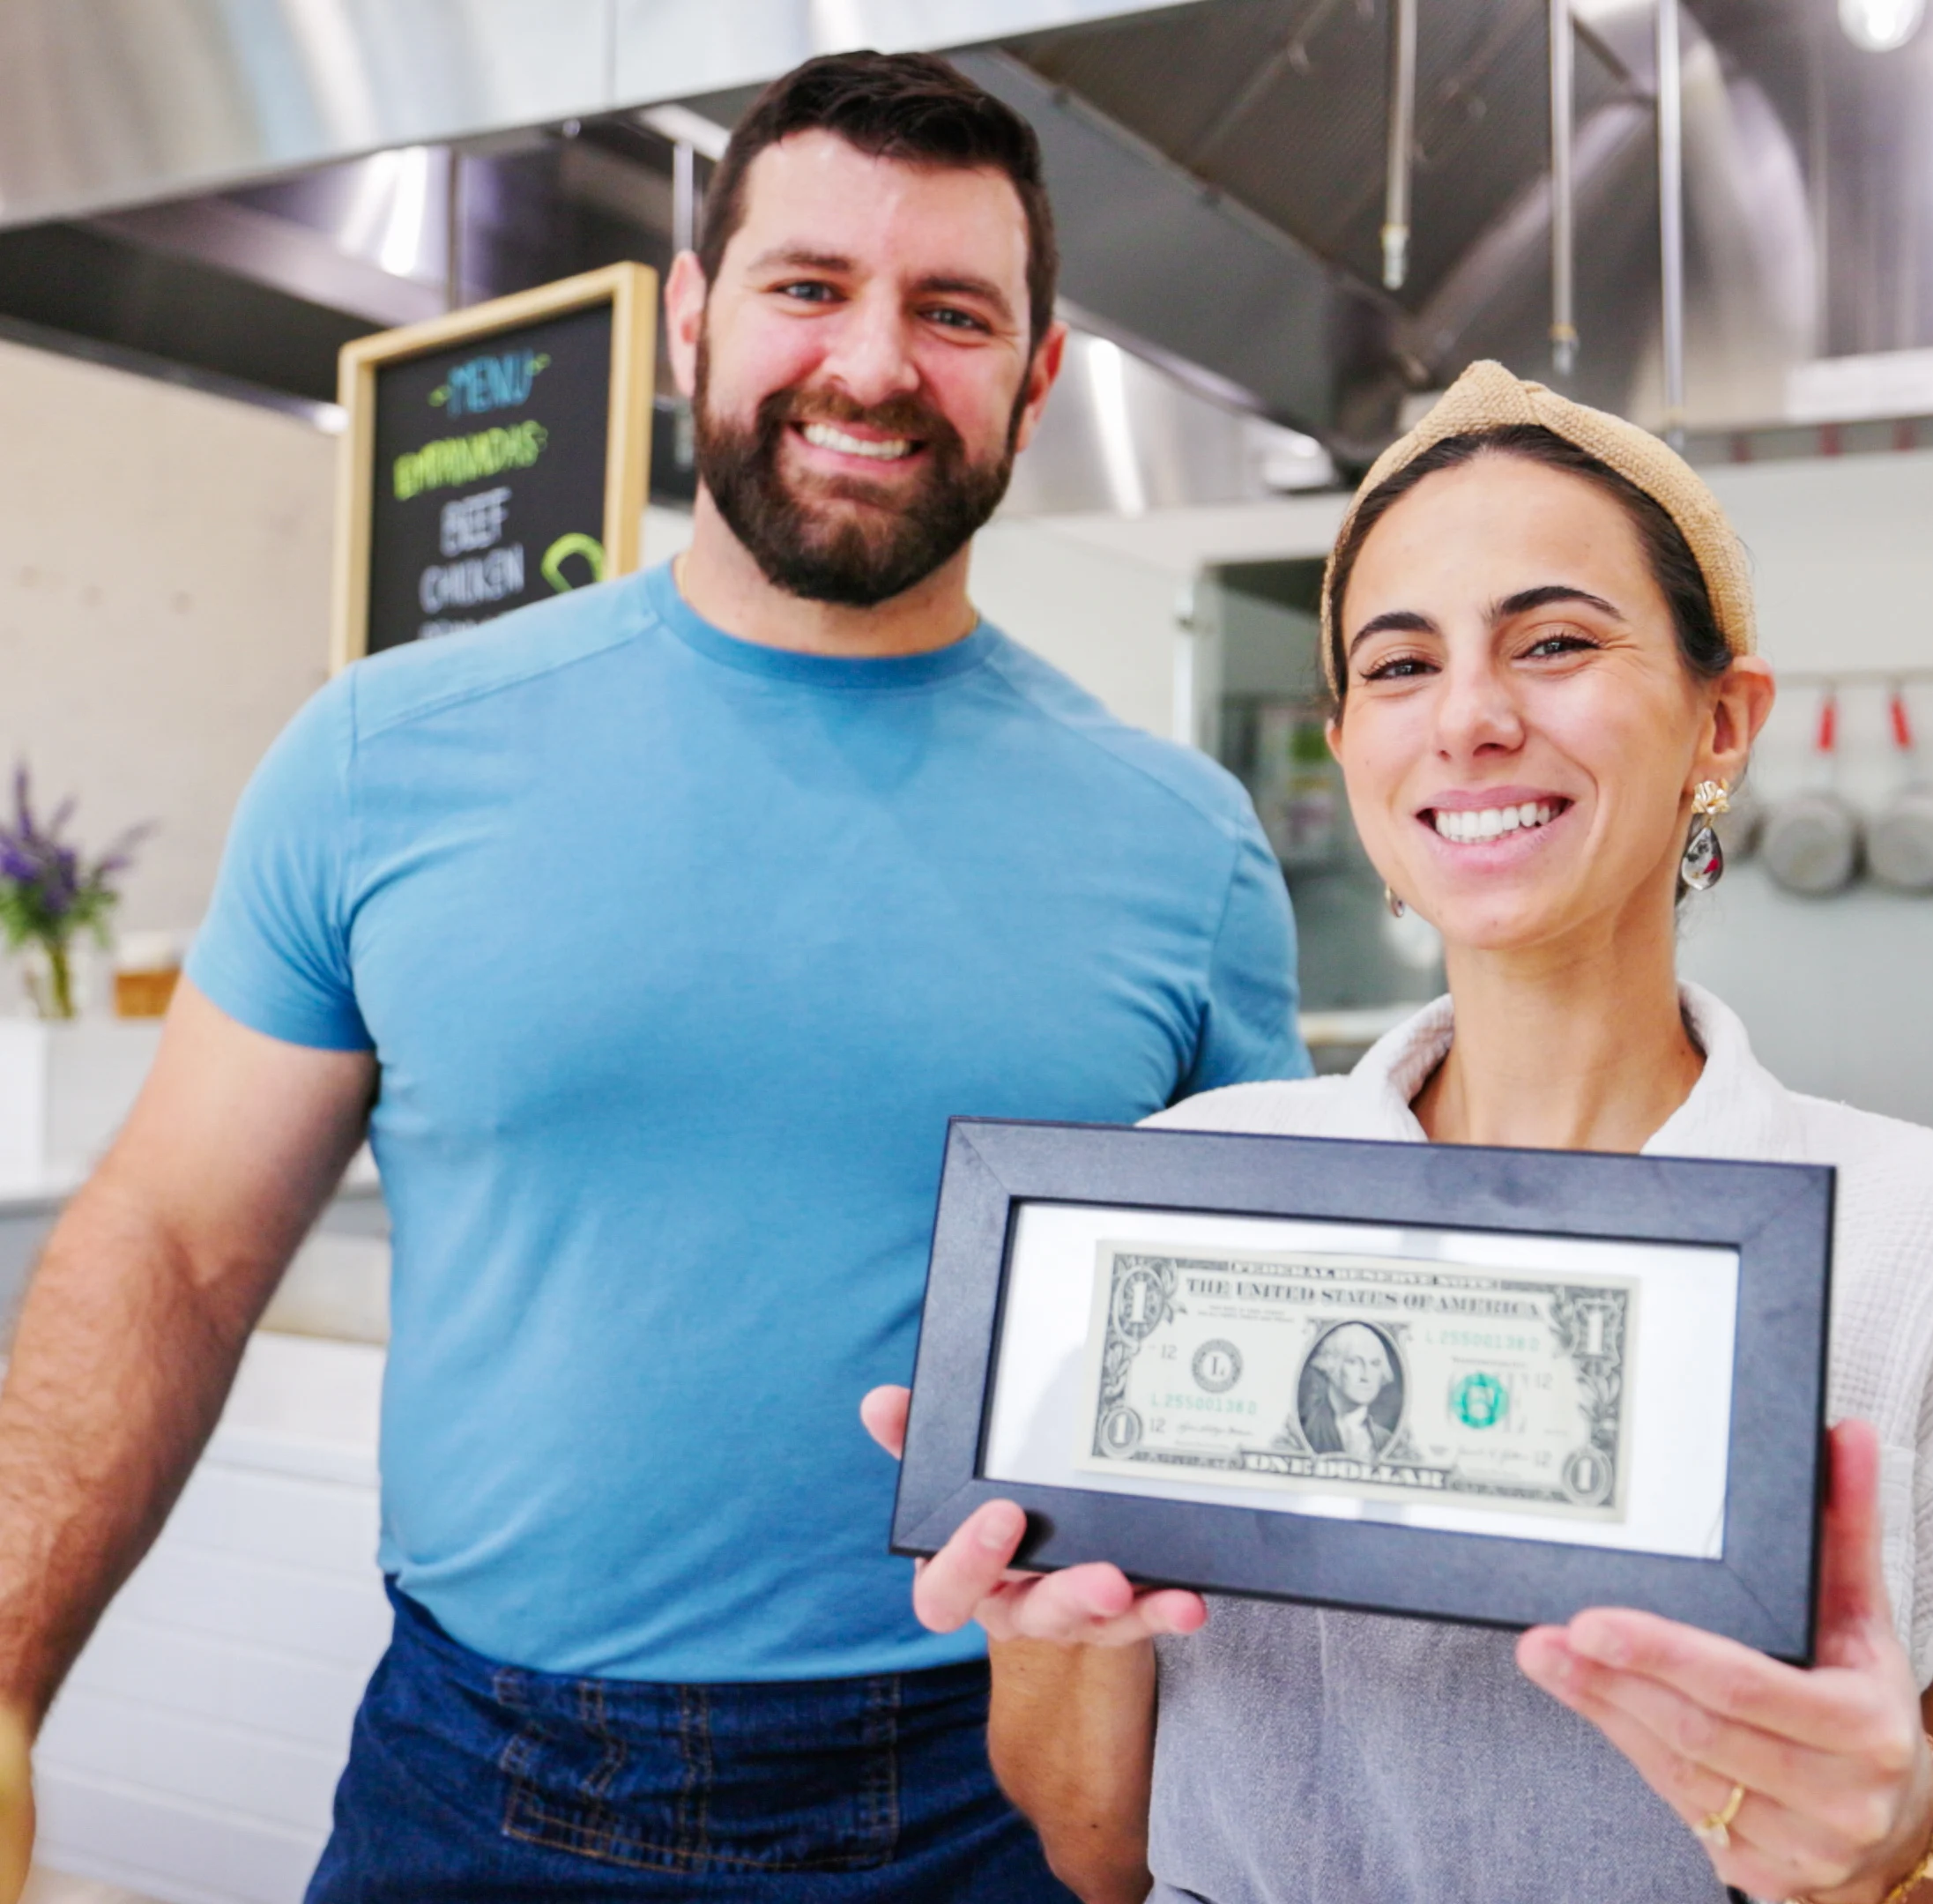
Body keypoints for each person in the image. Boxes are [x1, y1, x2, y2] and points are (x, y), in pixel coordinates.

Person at [0, 50, 1304, 1902]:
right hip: (478, 1785)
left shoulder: (1184, 847)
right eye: (808, 286)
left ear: (1038, 374)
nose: (872, 365)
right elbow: (175, 1244)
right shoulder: (379, 758)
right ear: (695, 315)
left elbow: (1259, 1379)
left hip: (988, 1795)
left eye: (952, 312)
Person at [862, 362, 1933, 1904]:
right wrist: (1049, 1630)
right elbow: (1100, 1858)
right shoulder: (1191, 1196)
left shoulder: (1930, 1239)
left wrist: (1880, 1850)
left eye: (1554, 643)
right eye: (1400, 665)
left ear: (1723, 722)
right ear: (1349, 743)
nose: (1472, 718)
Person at [1297, 1322, 1401, 1458]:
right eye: (1354, 1362)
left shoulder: (1385, 1440)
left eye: (1375, 1364)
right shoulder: (1308, 1429)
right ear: (1331, 1366)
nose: (1366, 1376)